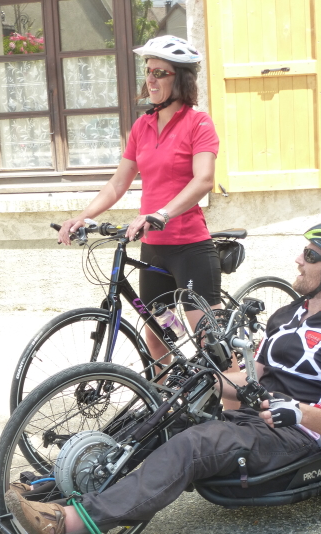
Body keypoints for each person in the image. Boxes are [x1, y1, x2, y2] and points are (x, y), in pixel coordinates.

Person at [0, 222, 321, 534]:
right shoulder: (286, 315)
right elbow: (245, 381)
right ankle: (39, 490)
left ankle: (66, 524)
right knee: (158, 416)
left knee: (194, 444)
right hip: (249, 418)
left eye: (310, 255)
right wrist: (208, 376)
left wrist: (301, 412)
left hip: (292, 436)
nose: (298, 259)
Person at [57, 35, 222, 367]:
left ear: (181, 78)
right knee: (159, 335)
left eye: (160, 73)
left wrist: (161, 213)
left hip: (190, 247)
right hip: (154, 249)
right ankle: (168, 398)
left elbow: (203, 179)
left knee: (211, 342)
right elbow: (119, 183)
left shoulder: (198, 123)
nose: (151, 79)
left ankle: (238, 396)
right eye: (148, 71)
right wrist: (83, 216)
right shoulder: (142, 126)